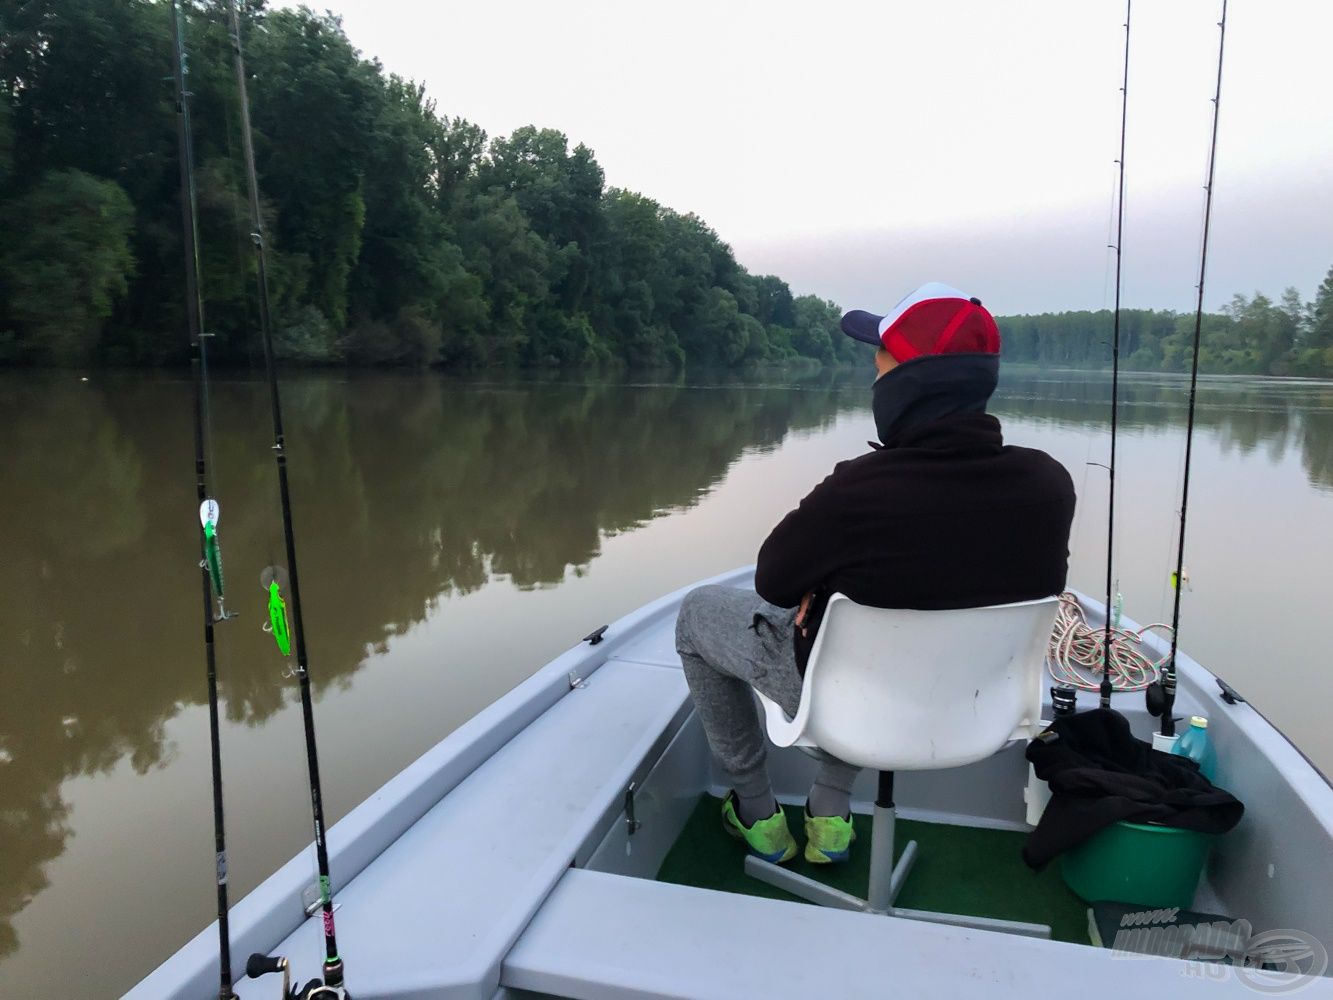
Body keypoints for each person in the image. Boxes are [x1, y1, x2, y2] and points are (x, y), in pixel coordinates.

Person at [674, 282, 1076, 865]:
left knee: (697, 615)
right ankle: (830, 813)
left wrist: (821, 588)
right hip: (974, 705)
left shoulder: (858, 492)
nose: (874, 376)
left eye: (881, 361)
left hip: (848, 705)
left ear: (910, 383)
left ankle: (757, 812)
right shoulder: (1049, 484)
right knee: (878, 628)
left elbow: (772, 585)